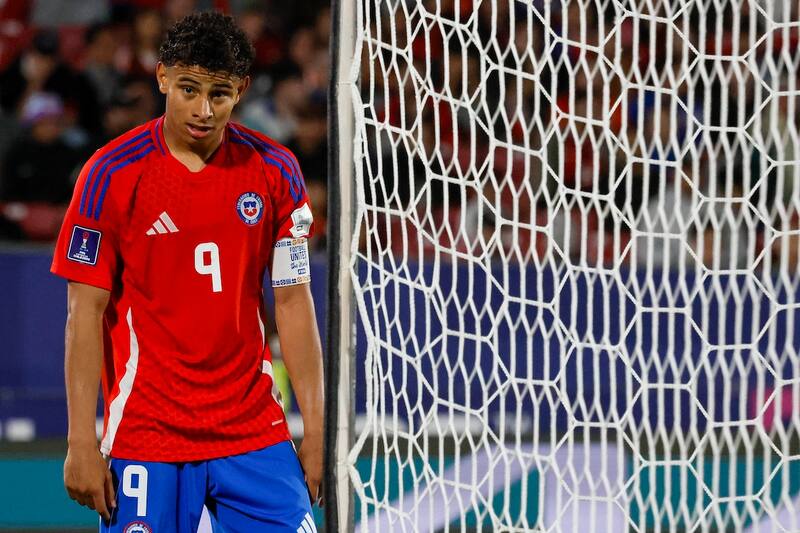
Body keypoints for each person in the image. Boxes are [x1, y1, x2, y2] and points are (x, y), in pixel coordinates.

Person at [50, 11, 323, 532]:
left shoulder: (275, 169)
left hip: (253, 429)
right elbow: (83, 312)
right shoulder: (111, 174)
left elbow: (292, 299)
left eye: (219, 94)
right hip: (147, 432)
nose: (203, 110)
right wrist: (81, 440)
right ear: (162, 78)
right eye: (188, 89)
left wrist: (316, 429)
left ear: (241, 90)